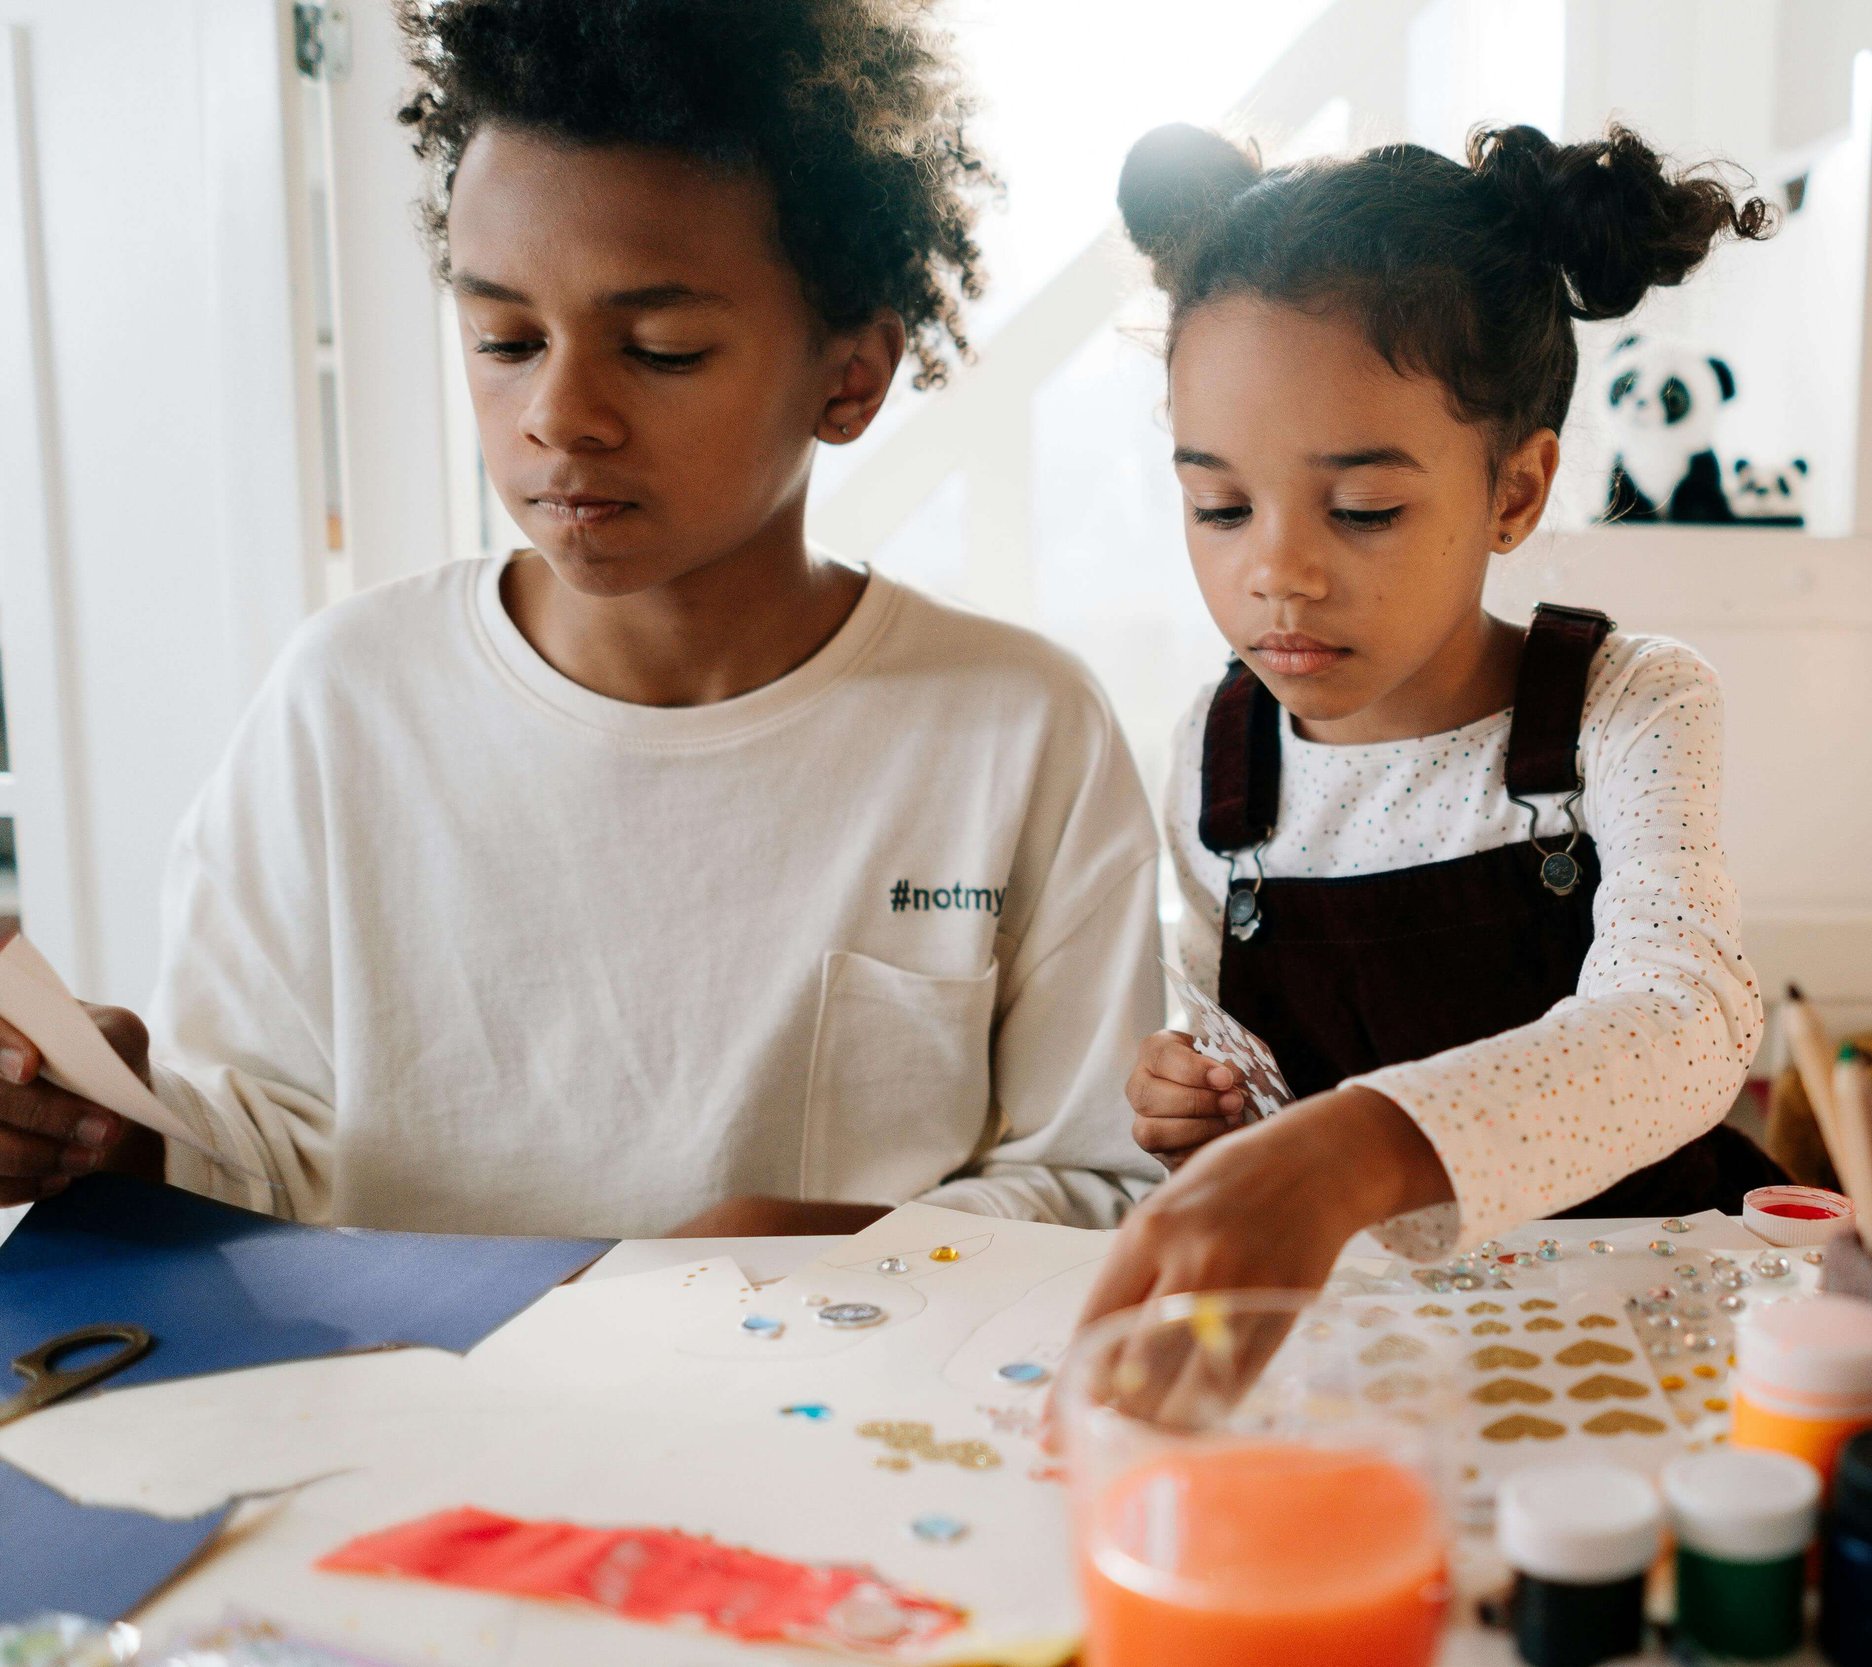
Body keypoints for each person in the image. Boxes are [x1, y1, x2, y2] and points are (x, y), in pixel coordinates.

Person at [0, 0, 1164, 1238]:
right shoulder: (347, 701)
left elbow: (1099, 1183)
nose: (559, 414)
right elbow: (256, 1154)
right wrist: (115, 1131)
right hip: (415, 1419)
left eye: (659, 349)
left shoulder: (1016, 728)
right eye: (505, 337)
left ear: (850, 376)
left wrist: (828, 1250)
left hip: (833, 1423)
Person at [1082, 121, 1780, 1321]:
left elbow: (1685, 1018)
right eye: (1220, 504)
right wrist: (1204, 1109)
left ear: (1513, 490)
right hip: (1371, 1328)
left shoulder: (1629, 706)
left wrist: (1361, 1143)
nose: (1277, 571)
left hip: (1635, 1315)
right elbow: (1243, 1075)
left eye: (1360, 510)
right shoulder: (1217, 746)